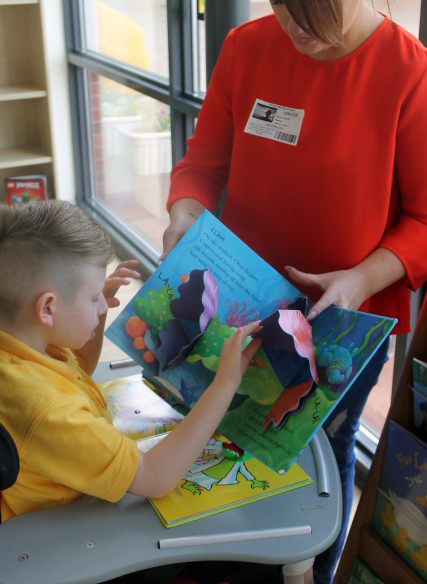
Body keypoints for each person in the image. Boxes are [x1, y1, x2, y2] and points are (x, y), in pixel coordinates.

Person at [162, 0, 427, 582]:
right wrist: (183, 212)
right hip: (238, 305)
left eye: (311, 6)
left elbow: (423, 218)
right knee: (222, 445)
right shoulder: (247, 48)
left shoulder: (408, 73)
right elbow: (201, 166)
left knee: (318, 470)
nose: (294, 25)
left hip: (341, 323)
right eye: (278, 1)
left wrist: (361, 278)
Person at [0, 200, 284, 584]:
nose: (104, 303)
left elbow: (73, 371)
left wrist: (92, 319)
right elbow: (153, 478)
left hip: (55, 514)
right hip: (60, 544)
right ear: (47, 308)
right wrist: (226, 383)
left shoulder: (20, 342)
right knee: (251, 553)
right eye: (93, 297)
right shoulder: (48, 409)